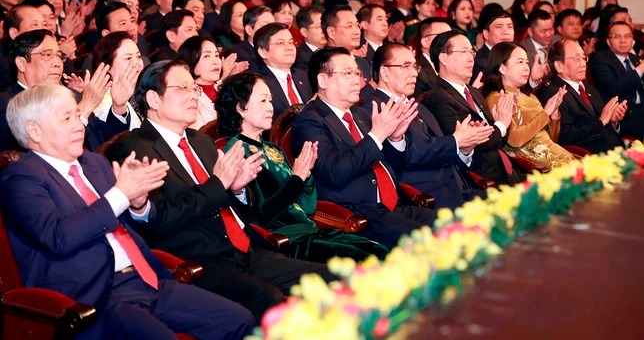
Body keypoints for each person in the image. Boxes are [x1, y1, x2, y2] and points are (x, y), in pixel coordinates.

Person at [0, 83, 255, 340]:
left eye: (78, 115)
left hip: (146, 278)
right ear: (34, 131)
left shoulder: (95, 163)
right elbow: (59, 236)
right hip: (95, 295)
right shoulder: (21, 178)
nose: (79, 125)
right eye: (67, 119)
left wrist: (139, 204)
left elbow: (138, 223)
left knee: (240, 320)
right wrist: (121, 194)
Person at [104, 60, 335, 321]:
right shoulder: (135, 150)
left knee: (332, 278)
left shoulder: (200, 141)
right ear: (153, 99)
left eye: (194, 88)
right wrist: (219, 184)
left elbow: (244, 211)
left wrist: (237, 191)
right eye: (182, 88)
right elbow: (158, 219)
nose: (193, 95)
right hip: (198, 261)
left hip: (244, 249)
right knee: (269, 299)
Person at [216, 72, 389, 261]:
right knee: (366, 261)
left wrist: (305, 177)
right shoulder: (237, 153)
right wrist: (296, 179)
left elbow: (307, 208)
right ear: (241, 108)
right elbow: (260, 217)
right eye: (263, 101)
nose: (270, 107)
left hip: (310, 231)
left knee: (381, 252)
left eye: (271, 101)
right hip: (286, 241)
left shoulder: (272, 149)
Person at [291, 47, 438, 248]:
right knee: (430, 242)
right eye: (347, 73)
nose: (357, 80)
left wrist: (396, 140)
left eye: (357, 73)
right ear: (323, 80)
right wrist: (377, 135)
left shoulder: (360, 114)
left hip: (393, 205)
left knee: (453, 227)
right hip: (358, 214)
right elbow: (334, 172)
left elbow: (392, 167)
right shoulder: (309, 122)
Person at [365, 43, 488, 209]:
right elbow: (406, 155)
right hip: (424, 198)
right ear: (384, 72)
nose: (414, 73)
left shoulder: (419, 107)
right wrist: (455, 141)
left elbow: (441, 151)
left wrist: (464, 149)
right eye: (405, 67)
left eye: (415, 67)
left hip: (459, 188)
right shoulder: (375, 109)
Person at [0, 29, 129, 152]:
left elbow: (105, 140)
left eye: (59, 55)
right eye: (48, 55)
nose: (57, 63)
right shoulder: (8, 106)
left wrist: (118, 107)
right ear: (21, 63)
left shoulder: (72, 96)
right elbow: (41, 153)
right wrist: (86, 106)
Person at [423, 31, 525, 185]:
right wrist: (500, 125)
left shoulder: (474, 92)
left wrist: (502, 121)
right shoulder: (438, 97)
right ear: (443, 58)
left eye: (471, 52)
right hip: (479, 179)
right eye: (463, 52)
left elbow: (498, 140)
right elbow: (466, 145)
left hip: (504, 170)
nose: (471, 58)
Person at [482, 41, 574, 170]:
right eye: (520, 62)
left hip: (554, 156)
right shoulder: (498, 98)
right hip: (530, 165)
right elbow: (515, 140)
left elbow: (550, 139)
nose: (526, 67)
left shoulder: (530, 97)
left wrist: (554, 118)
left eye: (526, 62)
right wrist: (545, 114)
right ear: (502, 68)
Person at [537, 38, 625, 153]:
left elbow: (604, 126)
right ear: (559, 66)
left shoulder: (590, 90)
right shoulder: (554, 93)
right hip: (586, 157)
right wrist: (601, 122)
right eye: (577, 59)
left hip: (614, 152)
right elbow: (564, 136)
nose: (583, 64)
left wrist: (613, 121)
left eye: (583, 58)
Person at [590, 21, 644, 139]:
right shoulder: (601, 60)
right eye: (617, 36)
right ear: (608, 41)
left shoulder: (636, 59)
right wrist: (641, 69)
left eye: (627, 36)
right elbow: (614, 87)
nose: (623, 40)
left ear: (632, 40)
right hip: (626, 116)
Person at [178, 35, 243, 129]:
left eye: (216, 55)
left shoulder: (226, 90)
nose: (215, 61)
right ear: (191, 60)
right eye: (207, 56)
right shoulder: (186, 97)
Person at [253, 23, 312, 119]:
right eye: (281, 43)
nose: (289, 47)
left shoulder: (303, 76)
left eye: (291, 42)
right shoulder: (257, 83)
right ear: (263, 52)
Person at [91, 31, 143, 130]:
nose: (137, 63)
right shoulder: (102, 103)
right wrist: (119, 108)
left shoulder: (145, 87)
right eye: (128, 58)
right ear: (107, 68)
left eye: (138, 56)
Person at [223, 5, 275, 69]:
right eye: (265, 26)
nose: (272, 31)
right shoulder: (238, 54)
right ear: (249, 30)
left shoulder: (279, 49)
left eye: (273, 26)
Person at [473, 8, 515, 84]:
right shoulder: (478, 62)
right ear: (486, 34)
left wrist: (533, 81)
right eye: (499, 27)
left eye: (509, 27)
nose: (506, 32)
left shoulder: (517, 56)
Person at [522, 9, 560, 89]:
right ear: (530, 31)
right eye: (544, 31)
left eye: (551, 29)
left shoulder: (559, 42)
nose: (549, 34)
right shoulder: (522, 50)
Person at [414, 18, 451, 98]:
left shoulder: (453, 66)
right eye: (442, 36)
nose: (449, 41)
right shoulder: (417, 73)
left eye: (451, 36)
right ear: (425, 42)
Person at [295, 5, 327, 71]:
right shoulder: (300, 59)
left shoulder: (332, 51)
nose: (324, 30)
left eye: (324, 25)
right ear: (304, 32)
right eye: (318, 27)